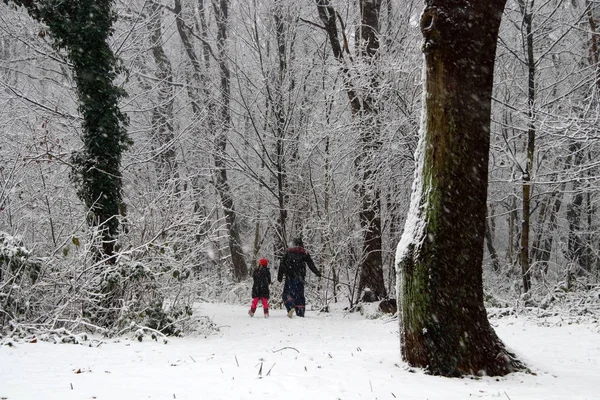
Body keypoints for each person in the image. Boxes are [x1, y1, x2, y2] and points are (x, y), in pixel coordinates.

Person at [278, 237, 321, 317]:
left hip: (290, 276)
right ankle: (300, 312)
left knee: (287, 294)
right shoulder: (304, 253)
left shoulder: (288, 253)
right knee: (299, 295)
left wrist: (280, 276)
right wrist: (317, 273)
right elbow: (310, 264)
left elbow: (282, 265)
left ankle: (290, 306)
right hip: (300, 277)